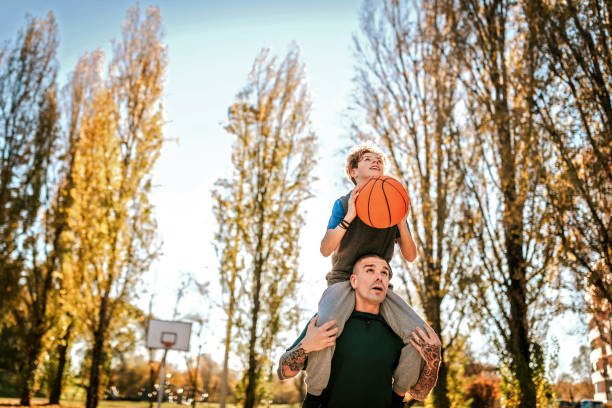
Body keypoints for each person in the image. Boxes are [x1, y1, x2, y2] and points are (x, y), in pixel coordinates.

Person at [284, 142, 430, 406]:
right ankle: (314, 396)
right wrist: (350, 216)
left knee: (422, 337)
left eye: (380, 160)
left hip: (378, 285)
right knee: (326, 331)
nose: (376, 162)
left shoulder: (393, 204)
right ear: (353, 171)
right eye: (368, 159)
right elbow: (325, 249)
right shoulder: (342, 204)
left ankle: (398, 397)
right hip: (343, 279)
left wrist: (401, 220)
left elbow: (410, 255)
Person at [277, 254, 440, 408]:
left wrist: (433, 361)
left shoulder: (401, 330)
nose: (379, 277)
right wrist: (306, 346)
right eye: (370, 270)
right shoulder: (324, 323)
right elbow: (285, 370)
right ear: (353, 281)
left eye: (384, 272)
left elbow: (420, 393)